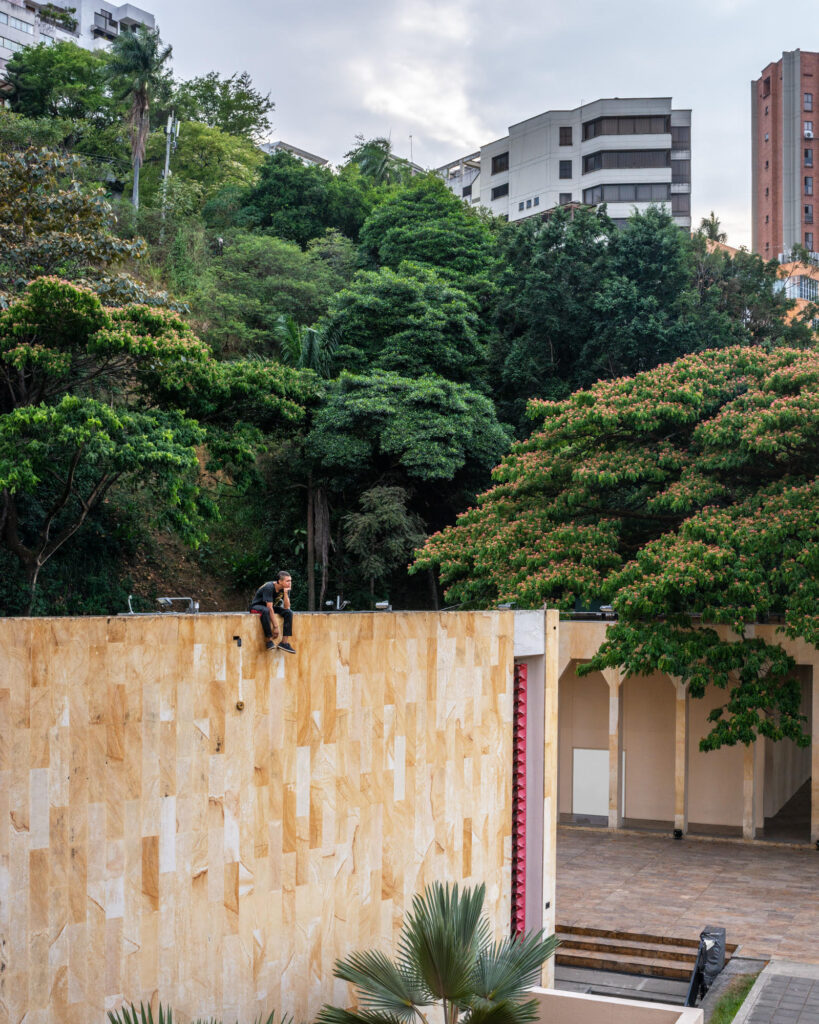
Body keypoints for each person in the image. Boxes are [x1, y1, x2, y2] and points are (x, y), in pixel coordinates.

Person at [249, 571, 296, 653]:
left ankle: (284, 643)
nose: (290, 583)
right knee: (266, 610)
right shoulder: (269, 587)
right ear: (280, 581)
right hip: (256, 607)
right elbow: (269, 608)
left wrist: (285, 593)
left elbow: (286, 607)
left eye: (290, 581)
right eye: (287, 581)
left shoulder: (284, 589)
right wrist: (276, 627)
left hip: (268, 607)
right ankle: (269, 641)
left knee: (289, 612)